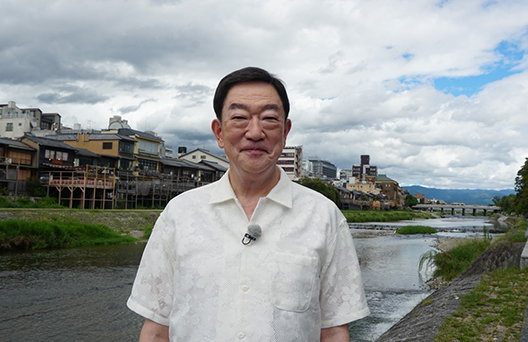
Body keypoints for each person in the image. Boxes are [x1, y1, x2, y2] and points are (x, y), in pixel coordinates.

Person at [127, 66, 370, 341]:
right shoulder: (180, 215)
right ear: (219, 132)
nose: (255, 133)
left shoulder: (324, 217)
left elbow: (334, 331)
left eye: (269, 119)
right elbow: (157, 330)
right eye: (240, 117)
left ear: (285, 131)